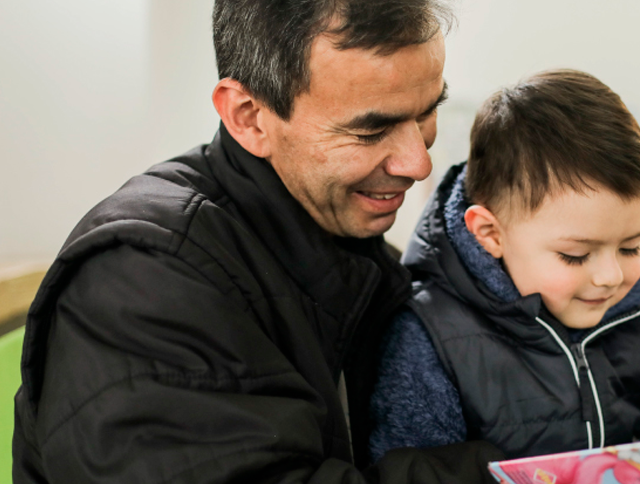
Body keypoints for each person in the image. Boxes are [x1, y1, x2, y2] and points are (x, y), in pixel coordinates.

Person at [12, 1, 505, 482]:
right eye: (371, 129)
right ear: (248, 116)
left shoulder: (367, 259)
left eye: (425, 113)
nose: (418, 164)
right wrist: (516, 471)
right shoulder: (140, 283)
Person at [369, 69, 640, 461]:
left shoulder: (637, 314)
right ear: (491, 234)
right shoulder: (429, 337)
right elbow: (411, 468)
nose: (611, 277)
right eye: (575, 255)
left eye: (632, 246)